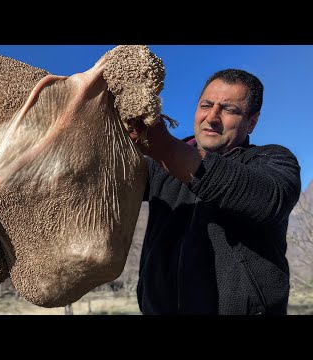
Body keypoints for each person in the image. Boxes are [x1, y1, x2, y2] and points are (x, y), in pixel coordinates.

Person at [129, 69, 301, 315]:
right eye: (206, 105)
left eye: (229, 109)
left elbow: (270, 200)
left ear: (252, 122)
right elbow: (99, 182)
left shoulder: (273, 159)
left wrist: (163, 145)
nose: (212, 117)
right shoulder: (157, 167)